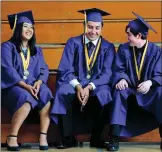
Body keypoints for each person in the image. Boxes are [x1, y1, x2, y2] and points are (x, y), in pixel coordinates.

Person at [50, 8, 115, 149]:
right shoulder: (73, 43)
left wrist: (90, 86)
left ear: (102, 28)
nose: (93, 31)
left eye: (97, 28)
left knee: (105, 94)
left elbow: (107, 74)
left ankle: (97, 137)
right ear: (84, 25)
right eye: (90, 27)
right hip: (75, 82)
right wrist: (78, 86)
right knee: (62, 92)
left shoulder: (108, 47)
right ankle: (67, 138)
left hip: (97, 84)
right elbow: (66, 69)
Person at [107, 12, 162, 151]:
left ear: (138, 35)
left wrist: (151, 82)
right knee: (119, 91)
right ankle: (114, 138)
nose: (127, 38)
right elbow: (118, 68)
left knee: (161, 92)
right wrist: (121, 78)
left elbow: (160, 73)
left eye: (129, 34)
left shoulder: (156, 51)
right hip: (129, 87)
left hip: (148, 89)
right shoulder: (124, 48)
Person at [1, 10, 53, 151]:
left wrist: (39, 82)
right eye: (25, 26)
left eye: (31, 27)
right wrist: (25, 86)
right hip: (13, 86)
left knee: (46, 94)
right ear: (17, 28)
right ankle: (12, 137)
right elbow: (8, 69)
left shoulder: (37, 50)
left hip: (33, 85)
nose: (29, 30)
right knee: (26, 97)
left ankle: (43, 136)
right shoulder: (6, 47)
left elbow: (44, 69)